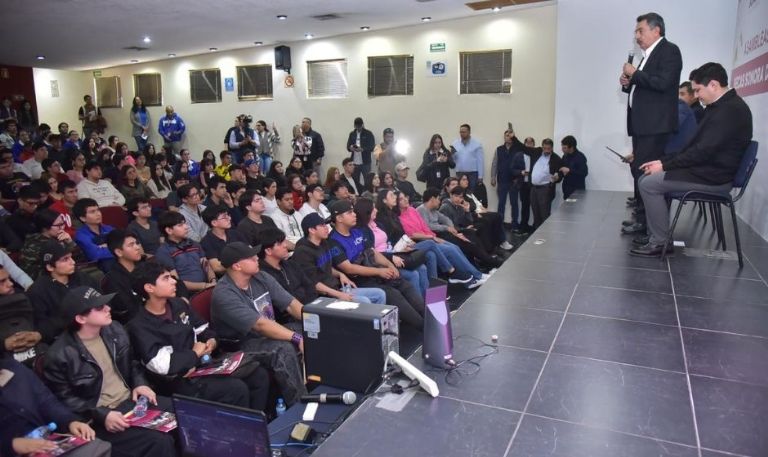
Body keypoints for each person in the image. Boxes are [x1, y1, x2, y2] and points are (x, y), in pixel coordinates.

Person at [631, 62, 753, 257]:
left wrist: (664, 165)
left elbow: (702, 152)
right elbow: (694, 148)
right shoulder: (721, 107)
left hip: (713, 178)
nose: (696, 95)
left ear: (713, 85)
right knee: (647, 179)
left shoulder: (729, 111)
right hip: (706, 171)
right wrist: (662, 162)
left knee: (648, 184)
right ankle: (658, 236)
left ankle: (660, 241)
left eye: (698, 90)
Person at [43, 286, 177, 457]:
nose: (108, 308)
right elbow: (66, 401)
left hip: (131, 400)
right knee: (158, 441)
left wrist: (140, 384)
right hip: (101, 416)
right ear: (81, 318)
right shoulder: (59, 355)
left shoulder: (114, 329)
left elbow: (132, 363)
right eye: (100, 307)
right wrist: (101, 415)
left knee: (184, 412)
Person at [128, 261, 270, 412]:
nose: (173, 281)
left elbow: (203, 328)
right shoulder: (140, 324)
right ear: (149, 288)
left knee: (258, 375)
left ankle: (260, 422)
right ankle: (241, 426)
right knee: (235, 389)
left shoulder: (178, 304)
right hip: (176, 381)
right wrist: (194, 353)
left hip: (202, 365)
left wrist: (211, 342)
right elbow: (161, 365)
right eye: (166, 278)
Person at [210, 242, 308, 406]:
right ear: (237, 266)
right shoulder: (224, 294)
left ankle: (320, 385)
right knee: (282, 348)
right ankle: (300, 404)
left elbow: (291, 304)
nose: (257, 258)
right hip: (240, 345)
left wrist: (314, 323)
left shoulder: (261, 277)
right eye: (251, 257)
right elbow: (260, 325)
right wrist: (297, 338)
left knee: (309, 330)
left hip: (267, 333)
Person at [619, 12, 682, 236]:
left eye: (640, 30)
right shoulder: (648, 55)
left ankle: (651, 227)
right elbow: (645, 86)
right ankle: (643, 221)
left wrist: (635, 73)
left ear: (656, 30)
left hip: (656, 126)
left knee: (647, 175)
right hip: (643, 126)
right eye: (636, 31)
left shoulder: (669, 51)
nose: (637, 36)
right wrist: (628, 82)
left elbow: (663, 84)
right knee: (640, 172)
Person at [328, 200, 425, 328]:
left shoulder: (356, 231)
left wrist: (390, 265)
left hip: (373, 271)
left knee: (403, 283)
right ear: (339, 218)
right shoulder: (333, 241)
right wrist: (379, 272)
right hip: (358, 281)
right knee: (392, 294)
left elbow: (373, 252)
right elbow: (348, 268)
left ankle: (428, 318)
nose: (354, 214)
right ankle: (422, 327)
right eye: (350, 212)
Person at [1, 355, 111, 457]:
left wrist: (70, 421)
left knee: (99, 448)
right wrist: (12, 445)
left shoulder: (13, 368)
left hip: (46, 442)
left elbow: (46, 402)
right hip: (12, 450)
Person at [292, 212, 388, 305]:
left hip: (336, 288)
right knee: (364, 301)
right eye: (322, 225)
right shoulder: (303, 252)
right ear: (312, 230)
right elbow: (313, 284)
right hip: (321, 296)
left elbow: (325, 266)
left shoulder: (323, 243)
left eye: (326, 225)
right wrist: (339, 294)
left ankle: (377, 316)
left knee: (379, 294)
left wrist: (340, 274)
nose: (326, 228)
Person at [397, 192, 485, 287]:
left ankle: (473, 275)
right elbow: (412, 234)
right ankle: (474, 275)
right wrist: (432, 237)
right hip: (420, 241)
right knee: (450, 250)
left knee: (455, 247)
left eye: (405, 197)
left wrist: (434, 236)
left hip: (430, 238)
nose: (405, 199)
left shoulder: (412, 210)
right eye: (401, 199)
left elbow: (424, 226)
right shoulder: (399, 217)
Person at [26, 241, 99, 344]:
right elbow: (43, 327)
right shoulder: (37, 291)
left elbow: (101, 298)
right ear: (50, 267)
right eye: (65, 259)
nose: (72, 262)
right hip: (67, 339)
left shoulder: (81, 277)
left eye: (71, 257)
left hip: (96, 326)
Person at [361, 194, 429, 297]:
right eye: (373, 209)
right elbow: (372, 253)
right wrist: (392, 257)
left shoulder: (378, 224)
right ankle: (421, 303)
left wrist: (401, 248)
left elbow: (388, 242)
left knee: (423, 267)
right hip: (383, 260)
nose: (376, 210)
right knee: (413, 274)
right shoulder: (364, 230)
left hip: (393, 252)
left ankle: (428, 299)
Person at [418, 188, 502, 269]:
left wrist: (451, 228)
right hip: (435, 236)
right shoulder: (422, 210)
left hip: (444, 232)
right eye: (438, 199)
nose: (439, 201)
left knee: (471, 234)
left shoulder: (433, 210)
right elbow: (428, 226)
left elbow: (446, 219)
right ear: (432, 199)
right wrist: (447, 228)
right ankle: (488, 260)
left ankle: (485, 258)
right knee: (466, 242)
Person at [257, 228, 318, 320]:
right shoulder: (263, 275)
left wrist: (311, 308)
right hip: (288, 320)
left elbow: (310, 286)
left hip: (309, 309)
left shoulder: (291, 264)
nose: (285, 245)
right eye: (279, 244)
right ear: (268, 251)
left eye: (284, 241)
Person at [155, 211, 216, 292]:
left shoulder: (194, 244)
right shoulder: (163, 251)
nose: (186, 227)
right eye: (180, 225)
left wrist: (213, 280)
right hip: (186, 293)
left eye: (185, 223)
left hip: (208, 287)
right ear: (169, 230)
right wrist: (205, 286)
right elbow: (176, 281)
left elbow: (206, 265)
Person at [511, 136, 564, 229]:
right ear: (542, 146)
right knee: (536, 213)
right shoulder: (537, 152)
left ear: (552, 148)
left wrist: (557, 177)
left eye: (548, 148)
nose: (546, 150)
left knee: (544, 214)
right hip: (533, 188)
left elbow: (560, 173)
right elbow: (523, 148)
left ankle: (545, 234)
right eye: (544, 148)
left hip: (546, 189)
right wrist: (513, 137)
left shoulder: (556, 159)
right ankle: (537, 233)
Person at [457, 174, 512, 251]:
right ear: (459, 182)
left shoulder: (469, 192)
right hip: (475, 213)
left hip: (480, 210)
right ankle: (497, 243)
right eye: (464, 179)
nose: (467, 181)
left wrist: (482, 208)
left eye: (467, 179)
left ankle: (501, 241)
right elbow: (470, 207)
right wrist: (478, 211)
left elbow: (476, 202)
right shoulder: (460, 195)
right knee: (492, 218)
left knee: (498, 216)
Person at [19, 209, 74, 280]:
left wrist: (70, 243)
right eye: (58, 225)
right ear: (45, 228)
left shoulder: (60, 238)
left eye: (63, 224)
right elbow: (31, 272)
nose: (62, 228)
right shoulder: (34, 245)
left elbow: (78, 259)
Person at [200, 204, 248, 275]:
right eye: (224, 217)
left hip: (246, 270)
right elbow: (216, 267)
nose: (229, 218)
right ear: (214, 223)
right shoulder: (206, 242)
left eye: (228, 215)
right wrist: (242, 262)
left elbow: (250, 250)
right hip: (227, 276)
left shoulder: (235, 233)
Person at [73, 198, 115, 272]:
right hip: (97, 268)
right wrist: (115, 247)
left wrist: (104, 247)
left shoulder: (108, 228)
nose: (98, 214)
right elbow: (95, 254)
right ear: (83, 218)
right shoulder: (81, 235)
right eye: (92, 212)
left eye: (98, 210)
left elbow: (123, 243)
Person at [491, 129, 520, 226]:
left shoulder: (517, 149)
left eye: (510, 135)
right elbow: (494, 164)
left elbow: (521, 164)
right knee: (501, 203)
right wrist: (493, 177)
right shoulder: (499, 149)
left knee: (514, 204)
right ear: (504, 137)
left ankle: (515, 224)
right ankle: (500, 224)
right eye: (507, 135)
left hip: (514, 181)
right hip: (502, 180)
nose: (509, 137)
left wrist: (519, 178)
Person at [451, 124, 484, 190]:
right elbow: (453, 160)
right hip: (460, 173)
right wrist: (452, 154)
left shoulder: (477, 144)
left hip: (472, 174)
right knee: (460, 192)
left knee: (472, 193)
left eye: (464, 132)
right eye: (460, 132)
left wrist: (480, 176)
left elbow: (480, 161)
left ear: (469, 132)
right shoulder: (455, 144)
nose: (461, 134)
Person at [346, 117, 375, 184]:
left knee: (367, 181)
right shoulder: (352, 134)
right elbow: (348, 146)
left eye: (359, 126)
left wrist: (363, 149)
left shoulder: (368, 133)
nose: (358, 128)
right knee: (355, 181)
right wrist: (351, 148)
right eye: (357, 126)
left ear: (362, 125)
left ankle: (367, 191)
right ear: (354, 126)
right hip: (354, 162)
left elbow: (372, 147)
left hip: (365, 162)